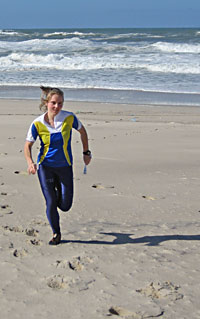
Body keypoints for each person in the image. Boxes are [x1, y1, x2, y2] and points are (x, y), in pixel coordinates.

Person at [24, 86, 91, 245]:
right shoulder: (37, 123)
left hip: (65, 166)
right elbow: (27, 146)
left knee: (65, 205)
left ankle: (56, 191)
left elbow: (83, 132)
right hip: (45, 167)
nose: (57, 106)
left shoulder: (69, 118)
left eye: (60, 103)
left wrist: (86, 152)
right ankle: (56, 233)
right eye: (53, 103)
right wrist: (30, 163)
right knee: (51, 202)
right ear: (46, 103)